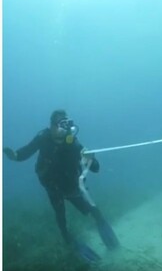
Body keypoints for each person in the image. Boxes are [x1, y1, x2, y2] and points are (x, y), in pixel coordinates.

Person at [3, 109, 119, 263]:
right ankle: (71, 242)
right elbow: (26, 152)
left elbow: (95, 168)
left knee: (92, 210)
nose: (64, 129)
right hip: (53, 187)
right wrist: (14, 156)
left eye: (66, 124)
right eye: (60, 124)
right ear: (51, 126)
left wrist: (92, 157)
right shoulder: (43, 137)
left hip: (72, 186)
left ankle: (107, 234)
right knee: (61, 217)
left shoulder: (73, 143)